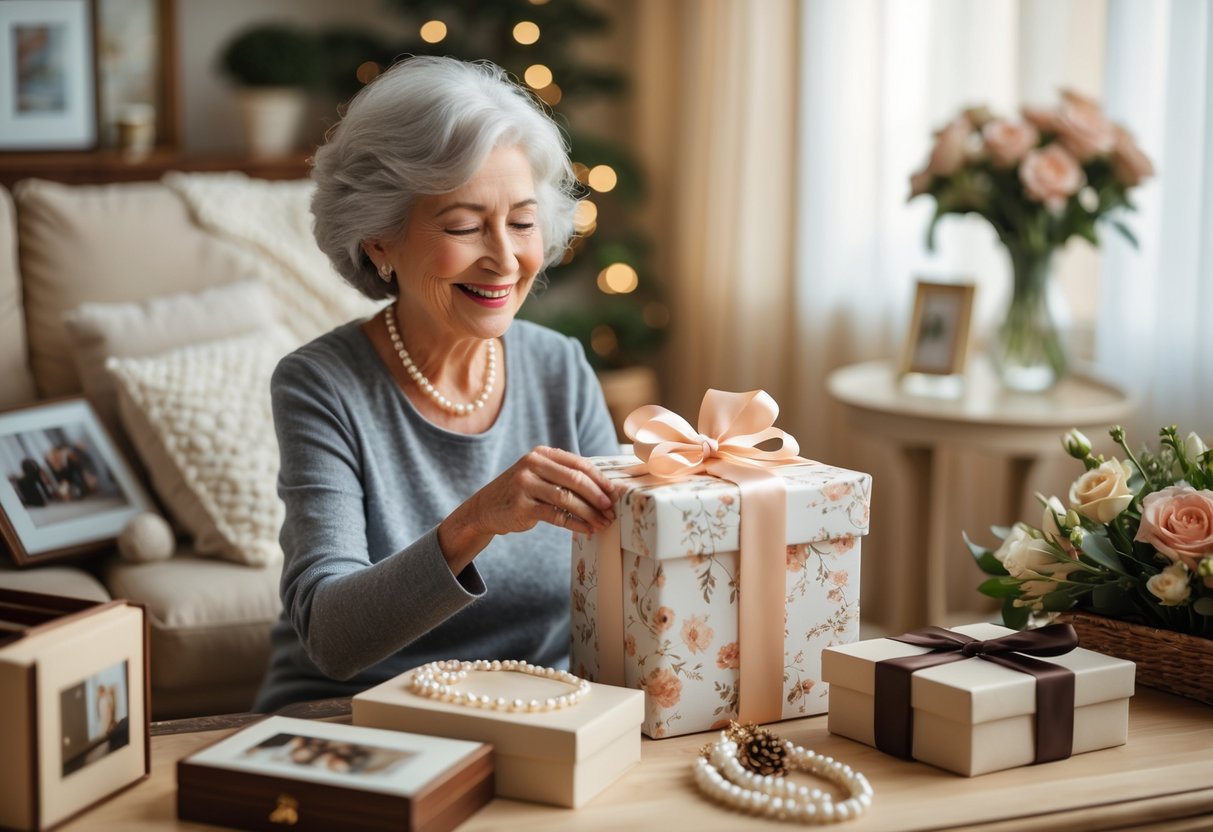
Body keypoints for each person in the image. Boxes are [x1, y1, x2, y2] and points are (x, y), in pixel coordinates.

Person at [253, 56, 621, 712]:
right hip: (358, 716)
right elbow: (331, 637)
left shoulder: (560, 367)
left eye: (522, 221)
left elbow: (626, 576)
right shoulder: (321, 385)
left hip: (533, 716)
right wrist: (478, 521)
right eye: (463, 225)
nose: (505, 259)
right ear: (378, 243)